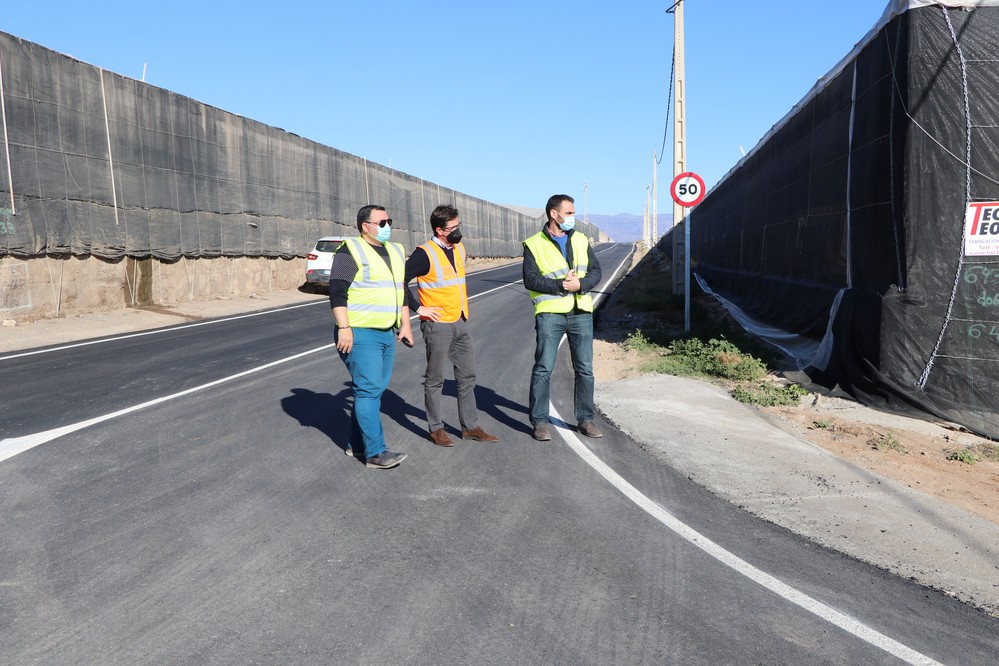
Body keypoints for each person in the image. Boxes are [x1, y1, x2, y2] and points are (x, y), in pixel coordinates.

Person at [404, 204, 499, 446]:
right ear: (439, 229)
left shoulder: (459, 249)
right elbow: (398, 281)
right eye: (453, 227)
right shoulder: (423, 254)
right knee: (435, 378)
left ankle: (470, 426)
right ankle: (436, 428)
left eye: (459, 225)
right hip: (437, 325)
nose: (458, 231)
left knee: (467, 376)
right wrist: (418, 308)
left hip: (460, 320)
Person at [328, 204, 414, 469]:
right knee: (368, 391)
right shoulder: (350, 251)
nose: (388, 226)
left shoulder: (396, 250)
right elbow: (337, 292)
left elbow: (401, 291)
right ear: (366, 226)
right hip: (360, 332)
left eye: (389, 220)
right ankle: (376, 453)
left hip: (387, 331)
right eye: (382, 222)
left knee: (372, 391)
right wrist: (344, 328)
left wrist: (406, 324)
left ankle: (357, 445)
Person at [523, 194, 603, 441]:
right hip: (550, 315)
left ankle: (585, 420)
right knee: (543, 368)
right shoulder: (533, 244)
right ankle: (539, 422)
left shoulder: (579, 239)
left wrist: (580, 284)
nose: (572, 217)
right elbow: (531, 279)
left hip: (581, 313)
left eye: (573, 212)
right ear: (553, 214)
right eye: (568, 213)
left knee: (585, 369)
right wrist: (561, 285)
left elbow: (596, 271)